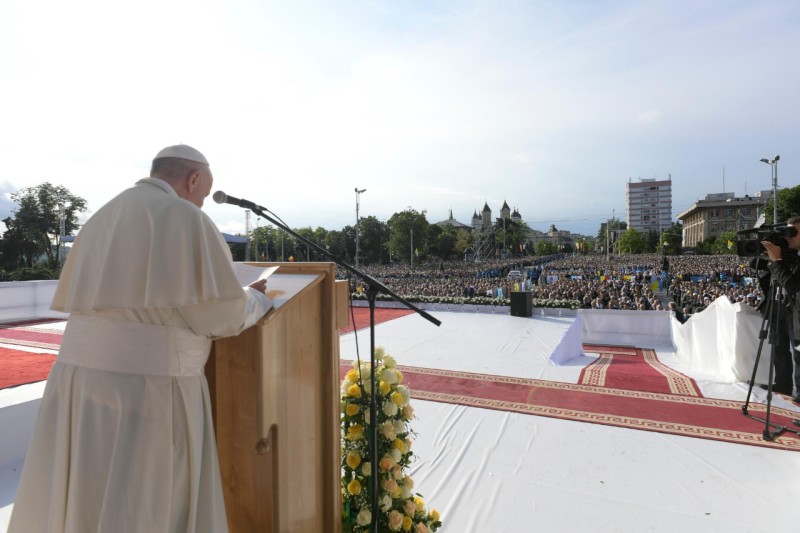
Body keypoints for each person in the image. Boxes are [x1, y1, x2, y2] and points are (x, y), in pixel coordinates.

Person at [9, 145, 273, 532]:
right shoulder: (184, 216)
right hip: (150, 391)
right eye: (202, 195)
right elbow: (221, 317)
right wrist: (256, 298)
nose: (201, 203)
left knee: (85, 490)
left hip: (78, 384)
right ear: (194, 179)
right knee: (144, 500)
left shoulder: (102, 216)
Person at [761, 215, 800, 402]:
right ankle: (783, 384)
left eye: (793, 232)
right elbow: (758, 266)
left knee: (798, 352)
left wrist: (777, 261)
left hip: (795, 311)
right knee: (778, 347)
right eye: (787, 232)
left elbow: (793, 285)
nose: (788, 236)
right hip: (779, 306)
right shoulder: (789, 253)